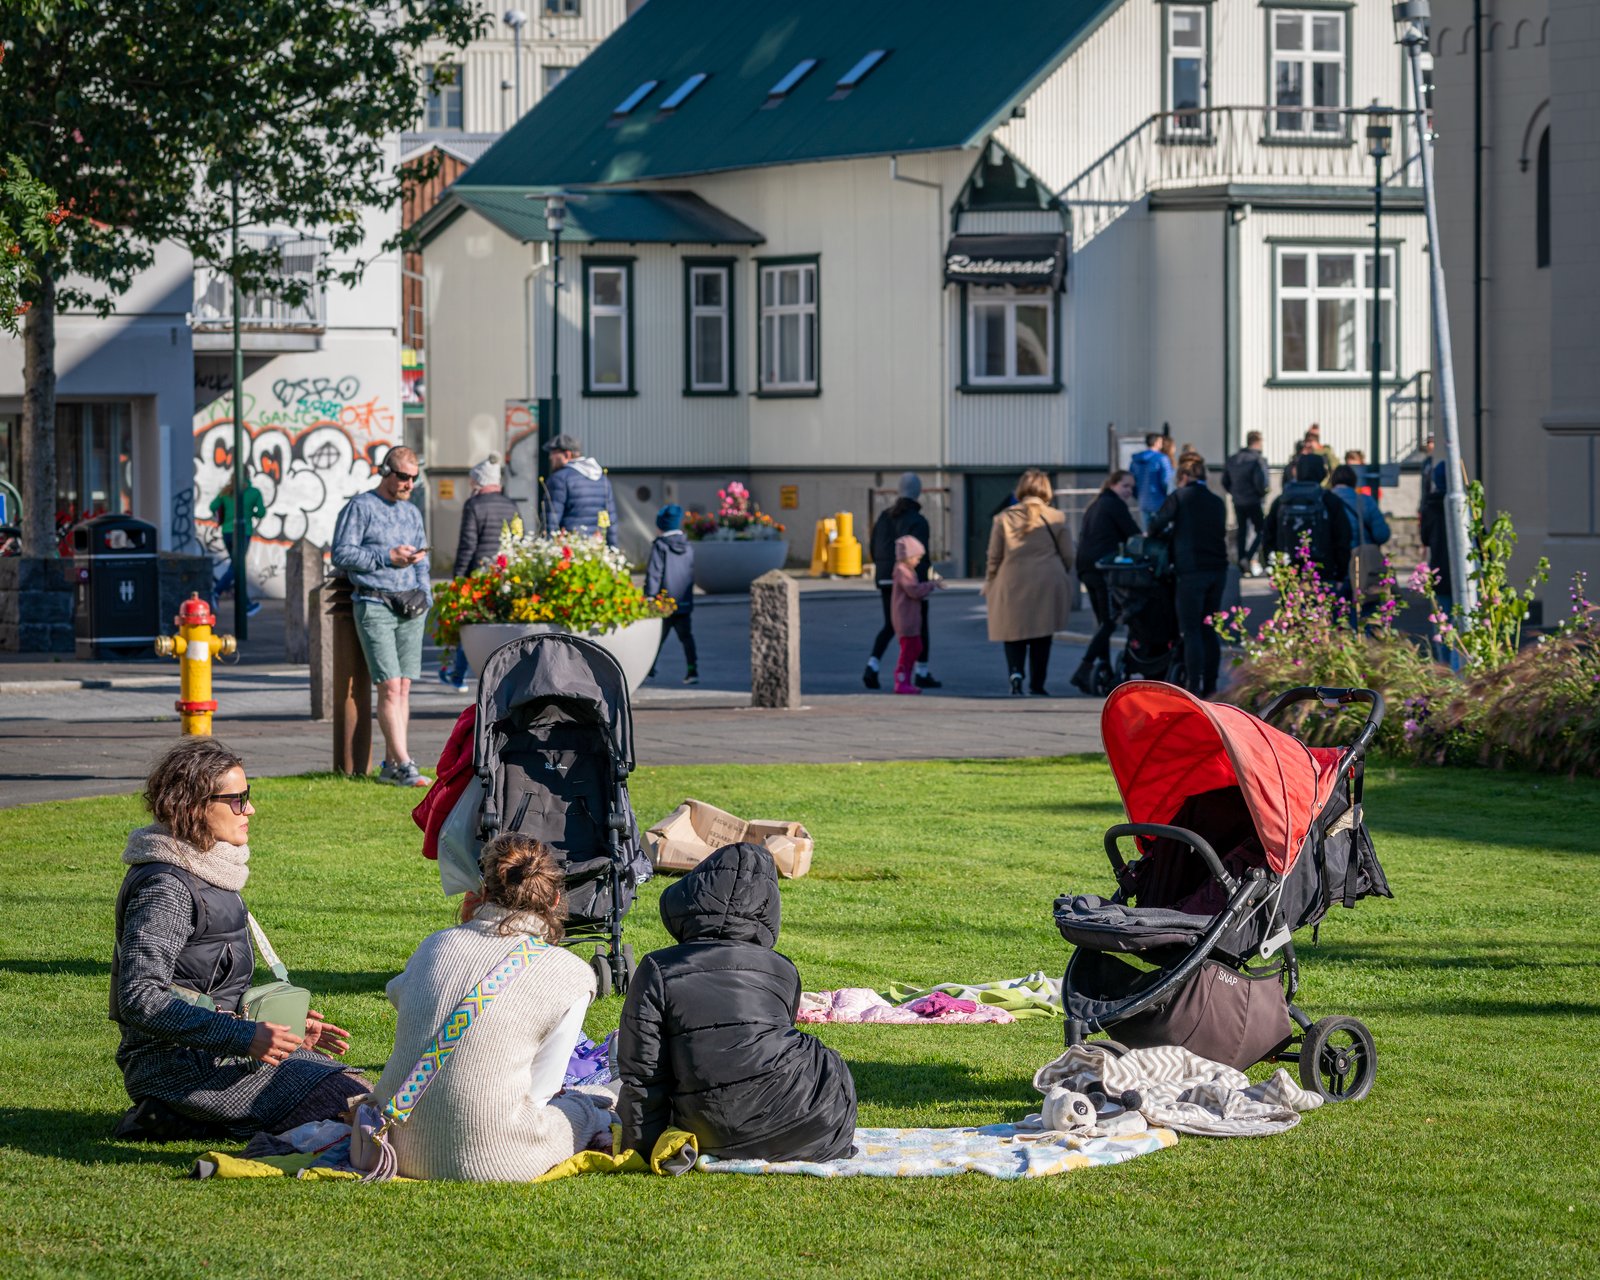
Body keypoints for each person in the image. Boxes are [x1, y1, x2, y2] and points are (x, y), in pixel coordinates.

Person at [110, 739, 366, 1141]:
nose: (250, 810)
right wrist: (246, 1037)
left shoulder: (207, 869)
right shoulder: (167, 885)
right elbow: (140, 997)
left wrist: (279, 1032)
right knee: (353, 1104)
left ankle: (181, 1120)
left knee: (359, 1088)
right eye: (237, 799)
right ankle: (176, 1113)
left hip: (218, 1053)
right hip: (177, 1066)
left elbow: (209, 987)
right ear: (193, 804)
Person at [368, 834, 610, 1181]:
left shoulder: (437, 944)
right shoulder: (570, 973)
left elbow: (399, 995)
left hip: (395, 1141)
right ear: (556, 899)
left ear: (483, 890)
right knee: (588, 1107)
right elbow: (540, 1092)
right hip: (492, 1156)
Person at [618, 842, 857, 1163]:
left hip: (710, 1128)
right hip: (809, 1124)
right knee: (826, 1061)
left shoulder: (659, 968)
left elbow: (644, 1073)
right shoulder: (783, 968)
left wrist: (641, 1150)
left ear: (691, 898)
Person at [330, 446, 432, 788]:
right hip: (374, 603)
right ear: (385, 471)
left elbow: (423, 560)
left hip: (411, 604)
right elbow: (341, 553)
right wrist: (387, 557)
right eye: (403, 476)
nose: (409, 484)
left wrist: (425, 594)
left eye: (414, 478)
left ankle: (392, 765)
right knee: (388, 685)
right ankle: (404, 763)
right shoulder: (361, 507)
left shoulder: (412, 513)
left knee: (403, 686)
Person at [984, 469, 1075, 697]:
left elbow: (994, 556)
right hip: (1047, 577)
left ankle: (1015, 674)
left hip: (1012, 577)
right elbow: (1069, 554)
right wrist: (1060, 570)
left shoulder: (1004, 517)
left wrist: (990, 581)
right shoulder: (1057, 517)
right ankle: (1037, 683)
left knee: (1013, 630)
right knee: (1042, 633)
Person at [1148, 453, 1229, 697]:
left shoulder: (1179, 497)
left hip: (1191, 569)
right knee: (1209, 627)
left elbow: (1155, 527)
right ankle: (1212, 684)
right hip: (1218, 568)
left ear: (1183, 477)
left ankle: (1194, 684)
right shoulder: (1217, 501)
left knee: (1191, 629)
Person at [439, 454, 521, 691]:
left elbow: (468, 545)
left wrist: (459, 577)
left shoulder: (473, 505)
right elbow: (518, 540)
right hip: (506, 574)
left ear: (479, 481)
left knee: (471, 624)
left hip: (479, 575)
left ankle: (458, 675)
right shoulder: (511, 505)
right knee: (500, 626)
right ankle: (503, 677)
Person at [864, 472, 939, 689]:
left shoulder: (884, 516)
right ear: (919, 492)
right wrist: (924, 585)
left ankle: (873, 665)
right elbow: (921, 556)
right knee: (918, 626)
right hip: (908, 580)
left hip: (885, 578)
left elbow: (873, 545)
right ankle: (920, 672)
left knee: (890, 624)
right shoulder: (918, 521)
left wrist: (881, 570)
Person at [1070, 469, 1140, 694]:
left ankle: (1103, 669)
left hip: (1086, 566)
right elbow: (1133, 533)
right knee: (1110, 620)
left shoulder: (1096, 504)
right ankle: (1085, 667)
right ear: (1113, 484)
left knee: (1103, 621)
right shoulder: (1114, 505)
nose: (1129, 491)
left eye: (1131, 487)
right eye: (1125, 486)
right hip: (1102, 568)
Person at [1261, 453, 1353, 588]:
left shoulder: (1282, 500)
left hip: (1288, 571)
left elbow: (1268, 536)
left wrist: (1274, 569)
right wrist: (1341, 573)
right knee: (1323, 607)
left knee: (1292, 608)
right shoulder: (1329, 500)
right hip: (1323, 570)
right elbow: (1343, 538)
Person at [644, 504, 697, 685]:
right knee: (686, 637)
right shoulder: (688, 546)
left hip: (663, 601)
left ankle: (649, 668)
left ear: (662, 525)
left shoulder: (660, 546)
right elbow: (689, 573)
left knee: (657, 638)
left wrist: (650, 596)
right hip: (683, 600)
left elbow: (654, 572)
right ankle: (692, 670)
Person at [889, 534, 944, 695]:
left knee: (915, 647)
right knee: (909, 649)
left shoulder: (906, 569)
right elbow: (913, 590)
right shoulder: (902, 570)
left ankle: (905, 679)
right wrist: (931, 585)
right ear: (908, 556)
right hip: (905, 618)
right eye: (917, 558)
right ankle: (901, 680)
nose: (918, 561)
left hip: (910, 617)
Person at [209, 469, 267, 617]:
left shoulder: (226, 491)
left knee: (236, 567)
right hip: (243, 532)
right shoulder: (254, 492)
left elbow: (212, 506)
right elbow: (261, 512)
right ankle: (216, 592)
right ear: (248, 476)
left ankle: (246, 604)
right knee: (237, 567)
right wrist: (250, 513)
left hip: (227, 532)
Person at [543, 433, 617, 546]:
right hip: (597, 548)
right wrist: (613, 549)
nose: (550, 457)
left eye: (554, 453)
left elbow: (551, 520)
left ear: (567, 455)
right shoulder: (602, 479)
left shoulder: (559, 479)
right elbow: (611, 520)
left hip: (569, 549)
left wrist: (548, 547)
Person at [1222, 431, 1270, 577]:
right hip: (1254, 500)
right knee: (1262, 530)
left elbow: (1225, 481)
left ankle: (1242, 561)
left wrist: (1235, 493)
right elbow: (1261, 482)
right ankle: (1248, 557)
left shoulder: (1233, 459)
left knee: (1242, 531)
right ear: (1258, 442)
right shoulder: (1257, 460)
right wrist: (1261, 493)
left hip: (1238, 500)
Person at [1129, 432, 1174, 526]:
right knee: (1163, 534)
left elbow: (1132, 482)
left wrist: (1138, 496)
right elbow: (1167, 481)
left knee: (1147, 534)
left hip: (1143, 502)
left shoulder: (1135, 461)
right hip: (1160, 503)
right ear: (1157, 443)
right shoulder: (1162, 459)